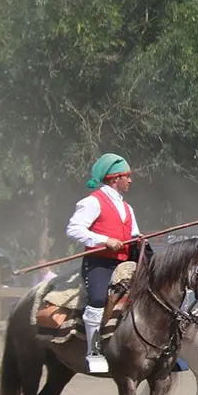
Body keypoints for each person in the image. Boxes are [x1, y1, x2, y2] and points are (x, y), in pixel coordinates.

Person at [65, 153, 148, 374]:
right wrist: (104, 240)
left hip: (125, 263)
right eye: (127, 176)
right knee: (99, 299)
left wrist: (139, 239)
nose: (130, 181)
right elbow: (73, 229)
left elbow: (132, 233)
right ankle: (93, 351)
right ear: (114, 178)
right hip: (99, 262)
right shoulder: (92, 202)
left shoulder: (127, 207)